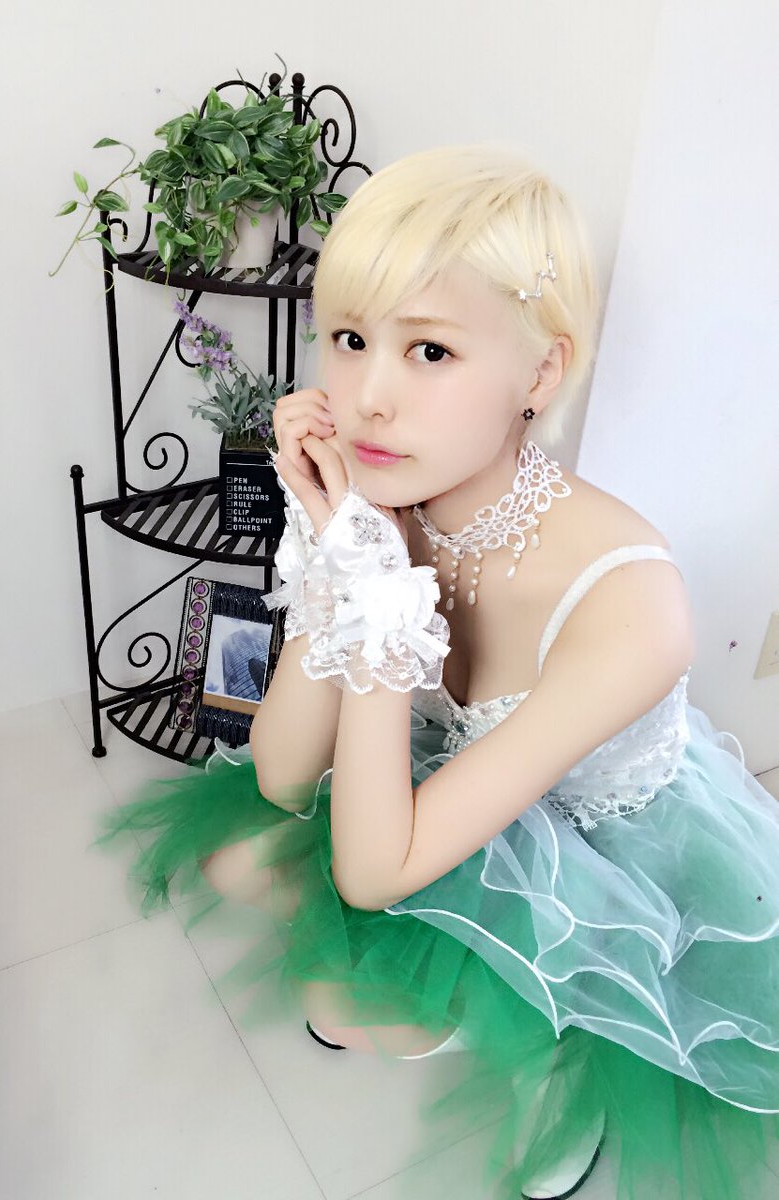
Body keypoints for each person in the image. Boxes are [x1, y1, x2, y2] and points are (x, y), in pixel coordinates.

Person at [95, 144, 779, 1199]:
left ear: (539, 375)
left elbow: (373, 874)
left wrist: (377, 593)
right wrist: (343, 553)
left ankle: (564, 1046)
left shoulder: (632, 603)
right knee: (241, 856)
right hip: (454, 800)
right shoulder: (388, 506)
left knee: (350, 989)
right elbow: (280, 773)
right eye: (351, 339)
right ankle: (513, 1012)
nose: (369, 397)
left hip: (610, 861)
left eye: (429, 350)